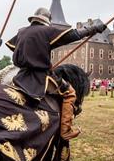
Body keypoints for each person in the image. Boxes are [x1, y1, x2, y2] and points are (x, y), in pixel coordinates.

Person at [6, 7, 107, 140]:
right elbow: (75, 34)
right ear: (47, 20)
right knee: (70, 93)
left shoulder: (21, 31)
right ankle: (66, 130)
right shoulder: (46, 31)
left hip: (21, 75)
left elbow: (12, 45)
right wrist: (94, 28)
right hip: (40, 76)